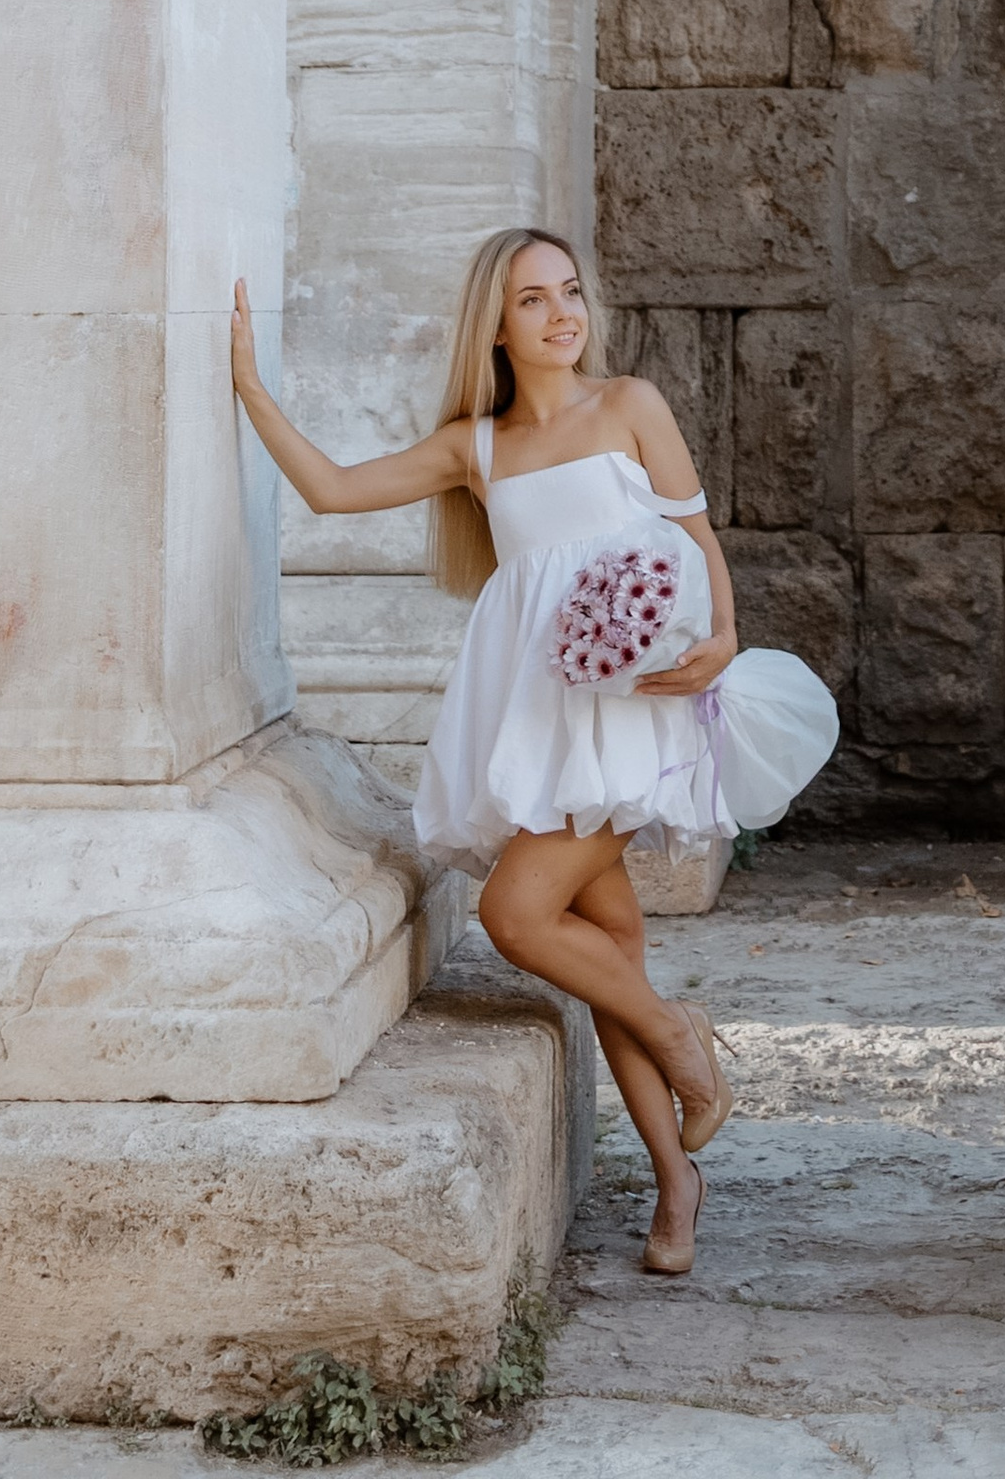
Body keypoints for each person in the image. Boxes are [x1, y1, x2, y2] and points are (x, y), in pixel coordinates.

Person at [229, 225, 740, 1279]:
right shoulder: (479, 446)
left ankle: (683, 1039)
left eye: (569, 295)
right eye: (533, 303)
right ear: (496, 329)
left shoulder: (631, 406)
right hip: (543, 714)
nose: (562, 316)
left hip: (630, 708)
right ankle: (675, 1183)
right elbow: (330, 490)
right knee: (609, 950)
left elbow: (696, 540)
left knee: (515, 914)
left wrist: (723, 638)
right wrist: (251, 389)